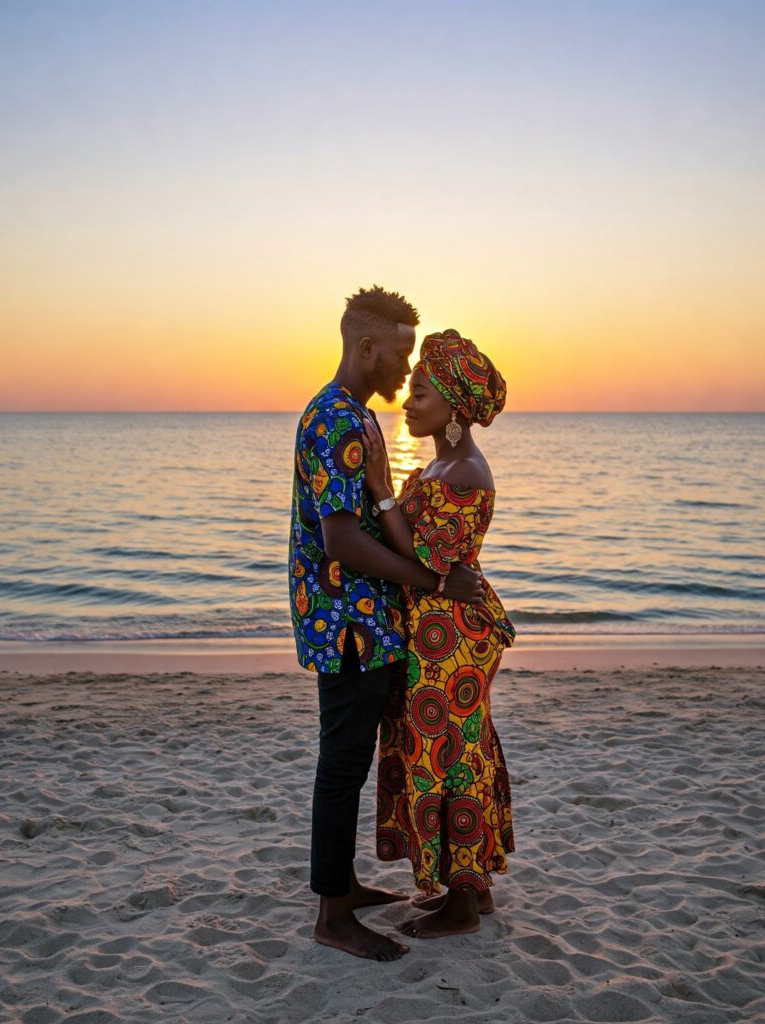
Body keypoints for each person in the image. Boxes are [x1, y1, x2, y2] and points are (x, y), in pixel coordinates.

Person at [288, 288, 486, 961]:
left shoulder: (351, 416)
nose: (406, 372)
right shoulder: (340, 422)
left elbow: (372, 519)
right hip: (349, 622)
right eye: (401, 355)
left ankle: (342, 888)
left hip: (365, 622)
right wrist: (434, 582)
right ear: (366, 347)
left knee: (351, 759)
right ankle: (331, 915)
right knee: (342, 764)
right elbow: (342, 541)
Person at [360, 328, 516, 939]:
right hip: (439, 631)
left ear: (453, 404)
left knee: (452, 758)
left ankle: (463, 901)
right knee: (450, 752)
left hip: (452, 637)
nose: (409, 402)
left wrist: (378, 486)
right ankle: (469, 891)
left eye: (422, 393)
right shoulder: (447, 463)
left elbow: (426, 563)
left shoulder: (464, 473)